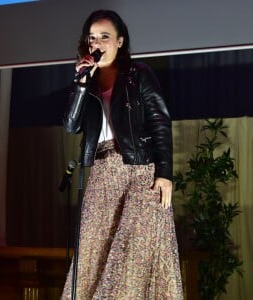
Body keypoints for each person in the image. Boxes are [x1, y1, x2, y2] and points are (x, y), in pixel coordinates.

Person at [61, 9, 183, 300]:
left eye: (104, 37)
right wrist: (80, 85)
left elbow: (160, 123)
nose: (97, 44)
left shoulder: (138, 75)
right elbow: (70, 124)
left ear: (120, 42)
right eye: (92, 39)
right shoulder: (87, 82)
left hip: (139, 170)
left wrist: (165, 173)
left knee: (131, 256)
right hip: (102, 174)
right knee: (94, 252)